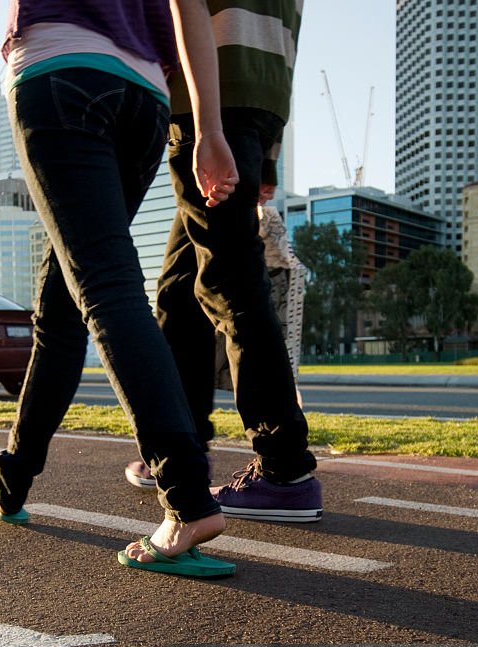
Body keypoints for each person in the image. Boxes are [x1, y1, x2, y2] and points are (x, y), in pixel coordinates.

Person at [0, 0, 241, 577]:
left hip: (59, 72)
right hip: (144, 97)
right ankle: (10, 481)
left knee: (105, 288)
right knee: (62, 307)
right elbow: (189, 7)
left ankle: (188, 500)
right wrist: (209, 129)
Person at [123, 0, 323, 523]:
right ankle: (180, 448)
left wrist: (207, 125)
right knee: (178, 288)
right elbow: (286, 36)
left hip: (209, 99)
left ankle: (284, 468)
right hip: (256, 104)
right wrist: (270, 152)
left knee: (229, 281)